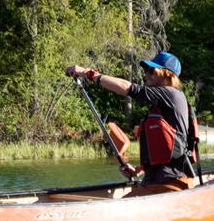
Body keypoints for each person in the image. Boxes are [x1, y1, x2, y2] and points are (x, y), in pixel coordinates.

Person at [65, 51, 198, 193]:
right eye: (146, 70)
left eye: (151, 70)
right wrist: (139, 169)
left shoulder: (172, 94)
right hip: (156, 181)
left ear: (166, 74)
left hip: (173, 182)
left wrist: (90, 73)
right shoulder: (162, 103)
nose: (146, 74)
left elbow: (127, 88)